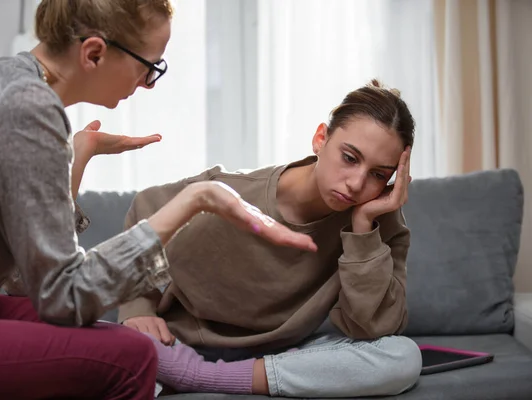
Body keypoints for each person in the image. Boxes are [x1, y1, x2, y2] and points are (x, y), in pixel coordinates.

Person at [0, 1, 316, 399]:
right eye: (149, 66)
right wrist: (194, 200)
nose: (148, 83)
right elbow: (64, 297)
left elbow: (29, 278)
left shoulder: (0, 84)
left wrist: (77, 155)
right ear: (94, 53)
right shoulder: (25, 109)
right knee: (128, 356)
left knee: (108, 336)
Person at [119, 80, 423, 398]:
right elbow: (146, 207)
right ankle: (188, 370)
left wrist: (362, 229)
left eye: (378, 174)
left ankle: (204, 377)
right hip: (181, 344)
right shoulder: (230, 191)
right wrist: (137, 307)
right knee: (109, 358)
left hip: (280, 358)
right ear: (321, 138)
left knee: (402, 357)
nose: (356, 183)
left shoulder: (377, 221)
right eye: (349, 158)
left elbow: (374, 327)